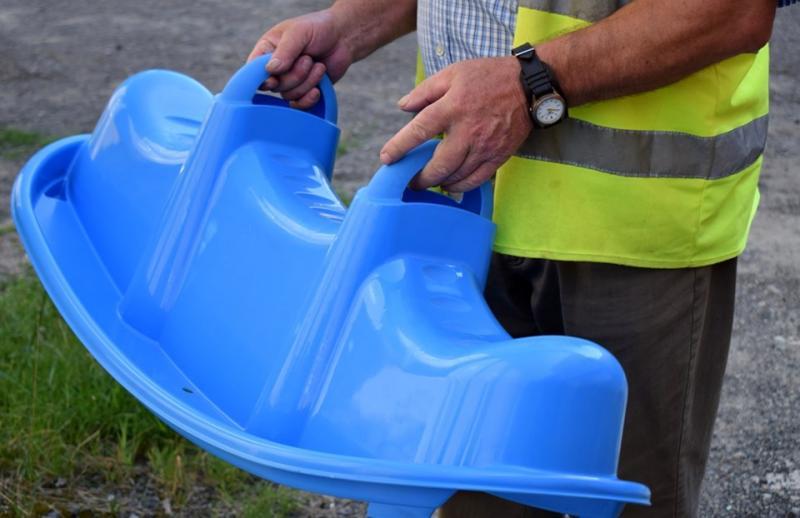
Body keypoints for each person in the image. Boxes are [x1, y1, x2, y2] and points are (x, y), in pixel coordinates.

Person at [248, 1, 780, 516]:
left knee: (624, 500)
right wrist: (346, 26)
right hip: (467, 216)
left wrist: (530, 84)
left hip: (634, 229)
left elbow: (730, 11)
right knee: (471, 490)